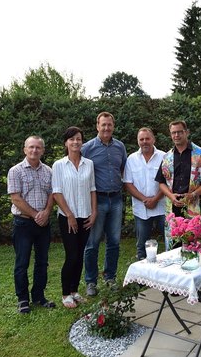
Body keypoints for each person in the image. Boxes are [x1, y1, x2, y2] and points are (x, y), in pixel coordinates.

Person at [7, 135, 55, 313]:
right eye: (31, 147)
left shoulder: (48, 171)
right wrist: (36, 215)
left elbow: (52, 194)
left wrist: (47, 212)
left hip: (43, 224)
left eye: (38, 147)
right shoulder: (15, 171)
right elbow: (16, 198)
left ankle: (39, 296)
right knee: (22, 262)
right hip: (23, 224)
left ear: (42, 150)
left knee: (42, 262)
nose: (34, 150)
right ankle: (22, 299)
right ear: (25, 149)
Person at [82, 112, 127, 296]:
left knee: (114, 242)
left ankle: (110, 278)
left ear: (113, 126)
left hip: (116, 199)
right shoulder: (87, 148)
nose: (106, 128)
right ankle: (91, 282)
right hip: (97, 200)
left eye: (109, 125)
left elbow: (123, 168)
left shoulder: (120, 147)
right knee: (92, 243)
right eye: (103, 125)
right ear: (97, 126)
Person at [52, 127, 97, 308]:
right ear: (66, 143)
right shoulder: (59, 165)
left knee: (80, 256)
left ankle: (74, 291)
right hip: (67, 217)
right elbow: (56, 192)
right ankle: (65, 294)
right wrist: (69, 215)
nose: (75, 142)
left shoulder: (89, 164)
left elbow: (92, 189)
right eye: (71, 139)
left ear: (82, 142)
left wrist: (94, 212)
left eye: (78, 139)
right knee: (71, 256)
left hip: (85, 216)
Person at [155, 120, 201, 247]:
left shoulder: (200, 154)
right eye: (173, 133)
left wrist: (194, 194)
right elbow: (161, 182)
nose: (176, 135)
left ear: (186, 132)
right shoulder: (167, 157)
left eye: (179, 132)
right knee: (173, 244)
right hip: (172, 206)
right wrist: (171, 196)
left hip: (192, 204)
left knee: (192, 242)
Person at [123, 127, 165, 260]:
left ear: (153, 139)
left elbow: (169, 182)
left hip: (162, 207)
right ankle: (142, 277)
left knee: (171, 241)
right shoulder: (131, 159)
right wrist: (145, 199)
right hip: (141, 208)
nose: (145, 142)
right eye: (141, 139)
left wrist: (155, 199)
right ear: (138, 141)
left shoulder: (164, 157)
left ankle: (171, 273)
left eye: (147, 138)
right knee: (142, 244)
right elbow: (128, 183)